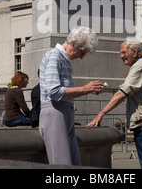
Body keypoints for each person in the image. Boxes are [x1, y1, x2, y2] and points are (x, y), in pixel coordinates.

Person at [87, 40, 142, 169]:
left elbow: (122, 93)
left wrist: (101, 113)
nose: (121, 56)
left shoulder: (140, 66)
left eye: (124, 52)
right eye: (120, 53)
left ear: (135, 52)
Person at [39, 26, 103, 166]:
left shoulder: (63, 59)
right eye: (82, 53)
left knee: (73, 162)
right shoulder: (54, 56)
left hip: (63, 111)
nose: (81, 57)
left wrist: (87, 90)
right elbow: (54, 91)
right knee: (62, 163)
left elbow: (63, 93)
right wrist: (85, 89)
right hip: (54, 112)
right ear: (73, 43)